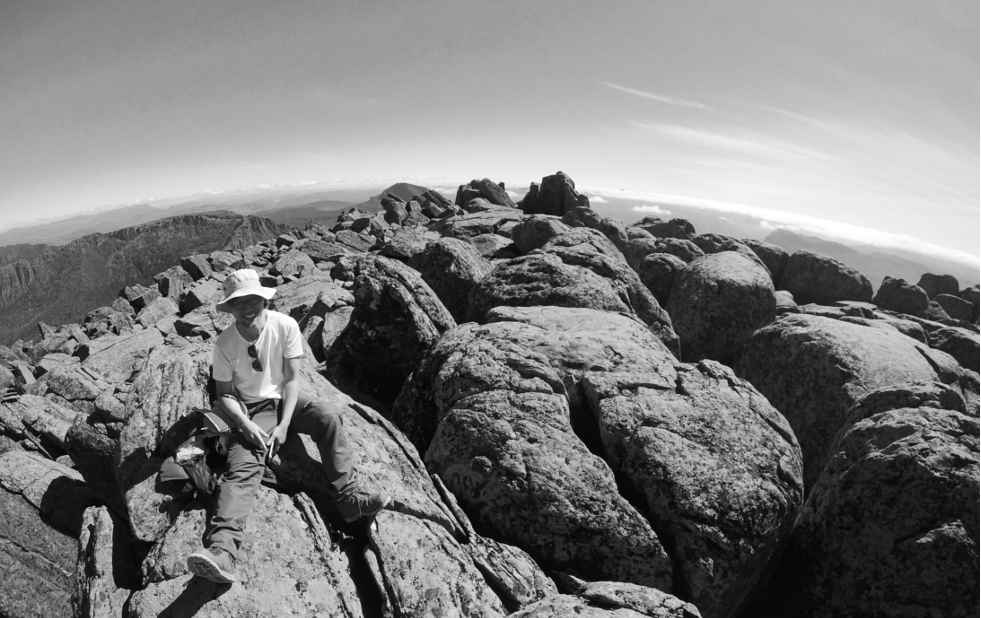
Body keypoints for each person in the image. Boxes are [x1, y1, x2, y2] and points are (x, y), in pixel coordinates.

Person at [186, 268, 390, 584]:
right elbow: (224, 394)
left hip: (284, 401)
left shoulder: (285, 326)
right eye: (238, 303)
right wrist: (244, 424)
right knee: (243, 467)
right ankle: (222, 550)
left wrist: (283, 425)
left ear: (263, 300)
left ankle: (349, 498)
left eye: (252, 299)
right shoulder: (224, 343)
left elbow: (293, 379)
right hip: (250, 410)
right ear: (231, 308)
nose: (247, 308)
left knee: (327, 417)